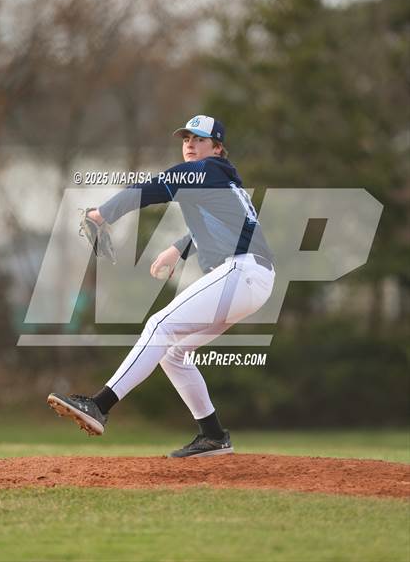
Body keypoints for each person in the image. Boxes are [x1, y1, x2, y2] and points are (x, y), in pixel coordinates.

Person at [47, 115, 275, 458]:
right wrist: (178, 249)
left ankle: (99, 405)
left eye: (199, 139)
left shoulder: (206, 171)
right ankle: (213, 436)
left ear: (217, 148)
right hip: (250, 279)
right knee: (173, 353)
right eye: (186, 139)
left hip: (241, 272)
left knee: (158, 325)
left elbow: (153, 187)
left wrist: (101, 214)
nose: (190, 144)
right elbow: (222, 224)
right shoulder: (220, 180)